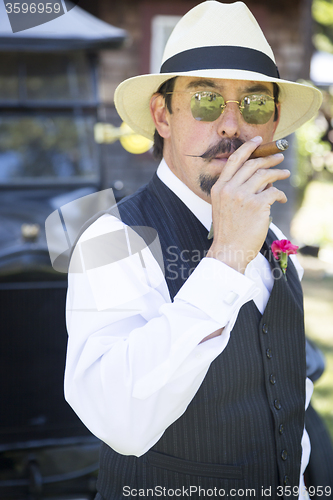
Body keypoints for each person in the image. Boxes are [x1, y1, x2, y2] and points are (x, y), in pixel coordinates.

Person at [64, 2, 324, 499]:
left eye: (255, 104)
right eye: (206, 101)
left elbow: (289, 396)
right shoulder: (106, 238)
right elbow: (119, 421)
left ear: (273, 126)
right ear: (163, 116)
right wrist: (225, 257)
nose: (231, 126)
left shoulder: (273, 241)